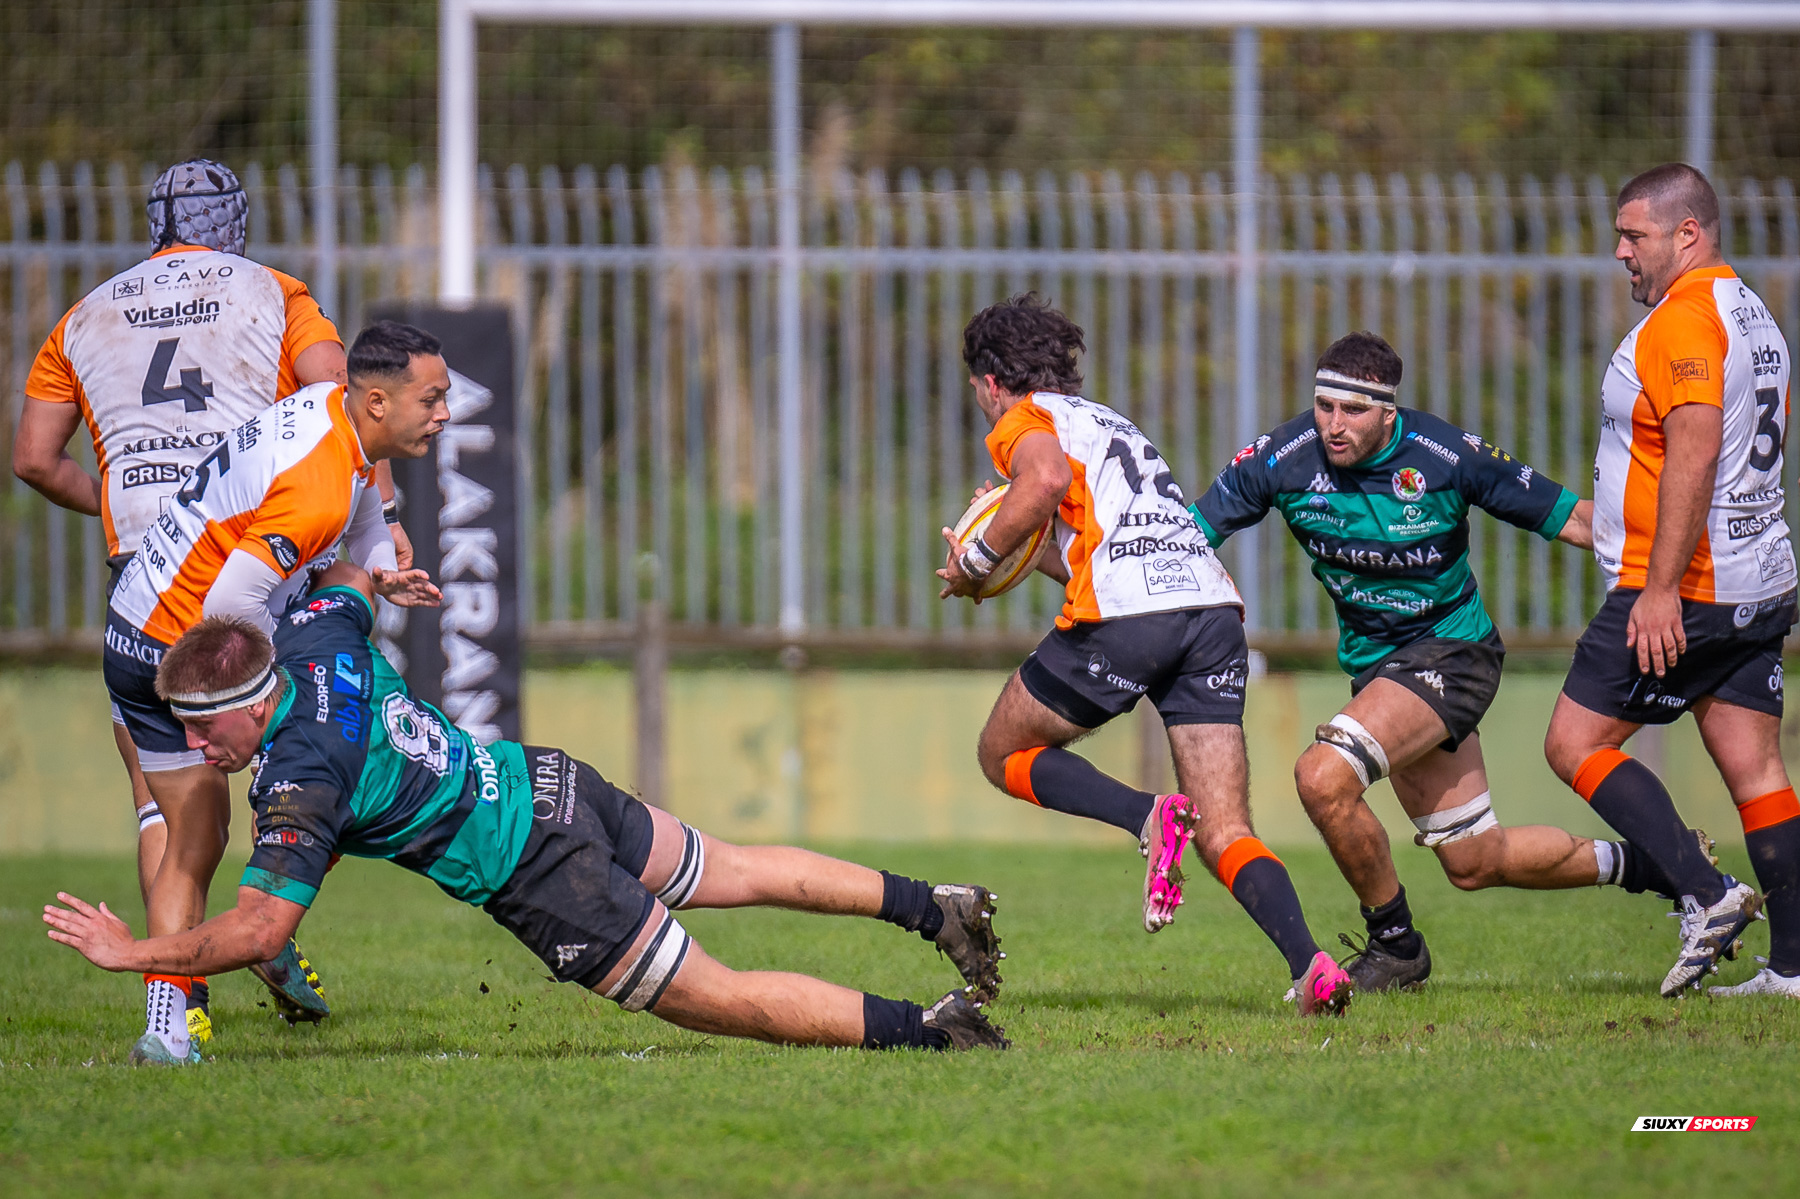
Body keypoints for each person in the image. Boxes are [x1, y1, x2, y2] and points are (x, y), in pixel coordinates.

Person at [43, 563, 1008, 1061]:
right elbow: (346, 583)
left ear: (253, 702)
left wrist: (132, 954)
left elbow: (261, 927)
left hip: (541, 873)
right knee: (737, 865)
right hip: (544, 780)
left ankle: (935, 1033)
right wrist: (384, 577)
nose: (195, 748)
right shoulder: (310, 636)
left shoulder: (300, 771)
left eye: (203, 728)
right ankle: (934, 905)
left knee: (721, 997)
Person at [11, 158, 402, 1042]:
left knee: (170, 808)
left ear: (155, 227)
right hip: (248, 552)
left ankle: (179, 1003)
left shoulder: (83, 315)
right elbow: (342, 400)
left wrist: (122, 504)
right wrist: (381, 518)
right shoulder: (275, 292)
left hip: (142, 580)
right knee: (307, 763)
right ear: (237, 225)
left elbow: (32, 456)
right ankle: (261, 930)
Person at [1190, 331, 1711, 992]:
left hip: (1454, 654)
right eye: (1324, 406)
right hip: (1379, 671)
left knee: (1322, 777)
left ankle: (1395, 946)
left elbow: (1578, 521)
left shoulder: (1445, 455)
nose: (1333, 425)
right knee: (1475, 859)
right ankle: (1665, 865)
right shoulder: (1281, 457)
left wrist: (1681, 569)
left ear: (1389, 412)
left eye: (1353, 410)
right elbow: (1188, 534)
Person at [939, 293, 1352, 1015]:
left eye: (977, 388)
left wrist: (977, 559)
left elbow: (1043, 482)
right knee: (1225, 828)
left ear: (993, 382)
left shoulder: (1023, 421)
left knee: (1001, 752)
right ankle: (1313, 966)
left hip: (1134, 615)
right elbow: (1094, 552)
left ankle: (1146, 815)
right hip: (1210, 611)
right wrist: (1026, 544)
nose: (980, 402)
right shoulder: (1105, 422)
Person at [92, 319, 446, 1061]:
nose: (444, 413)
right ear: (377, 402)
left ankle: (190, 1003)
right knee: (287, 785)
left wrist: (381, 570)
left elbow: (360, 519)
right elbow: (231, 604)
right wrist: (283, 694)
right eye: (432, 399)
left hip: (134, 625)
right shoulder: (318, 480)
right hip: (183, 639)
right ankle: (243, 944)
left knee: (198, 832)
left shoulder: (334, 423)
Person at [1543, 163, 1797, 999]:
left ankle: (1704, 888)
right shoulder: (1748, 310)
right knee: (1756, 770)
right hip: (1759, 575)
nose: (1621, 251)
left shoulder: (1681, 320)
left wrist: (1658, 590)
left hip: (1688, 583)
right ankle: (1793, 970)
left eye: (1634, 235)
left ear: (1688, 233)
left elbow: (1695, 446)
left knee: (1574, 743)